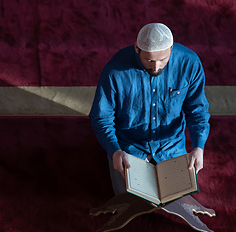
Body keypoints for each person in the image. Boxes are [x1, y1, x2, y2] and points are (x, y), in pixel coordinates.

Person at [89, 23, 210, 195]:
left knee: (179, 198)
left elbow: (197, 110)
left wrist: (199, 147)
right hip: (129, 146)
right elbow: (101, 117)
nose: (156, 67)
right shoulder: (114, 70)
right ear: (137, 48)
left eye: (163, 60)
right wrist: (114, 151)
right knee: (130, 200)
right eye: (149, 60)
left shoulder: (189, 63)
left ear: (171, 48)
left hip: (171, 146)